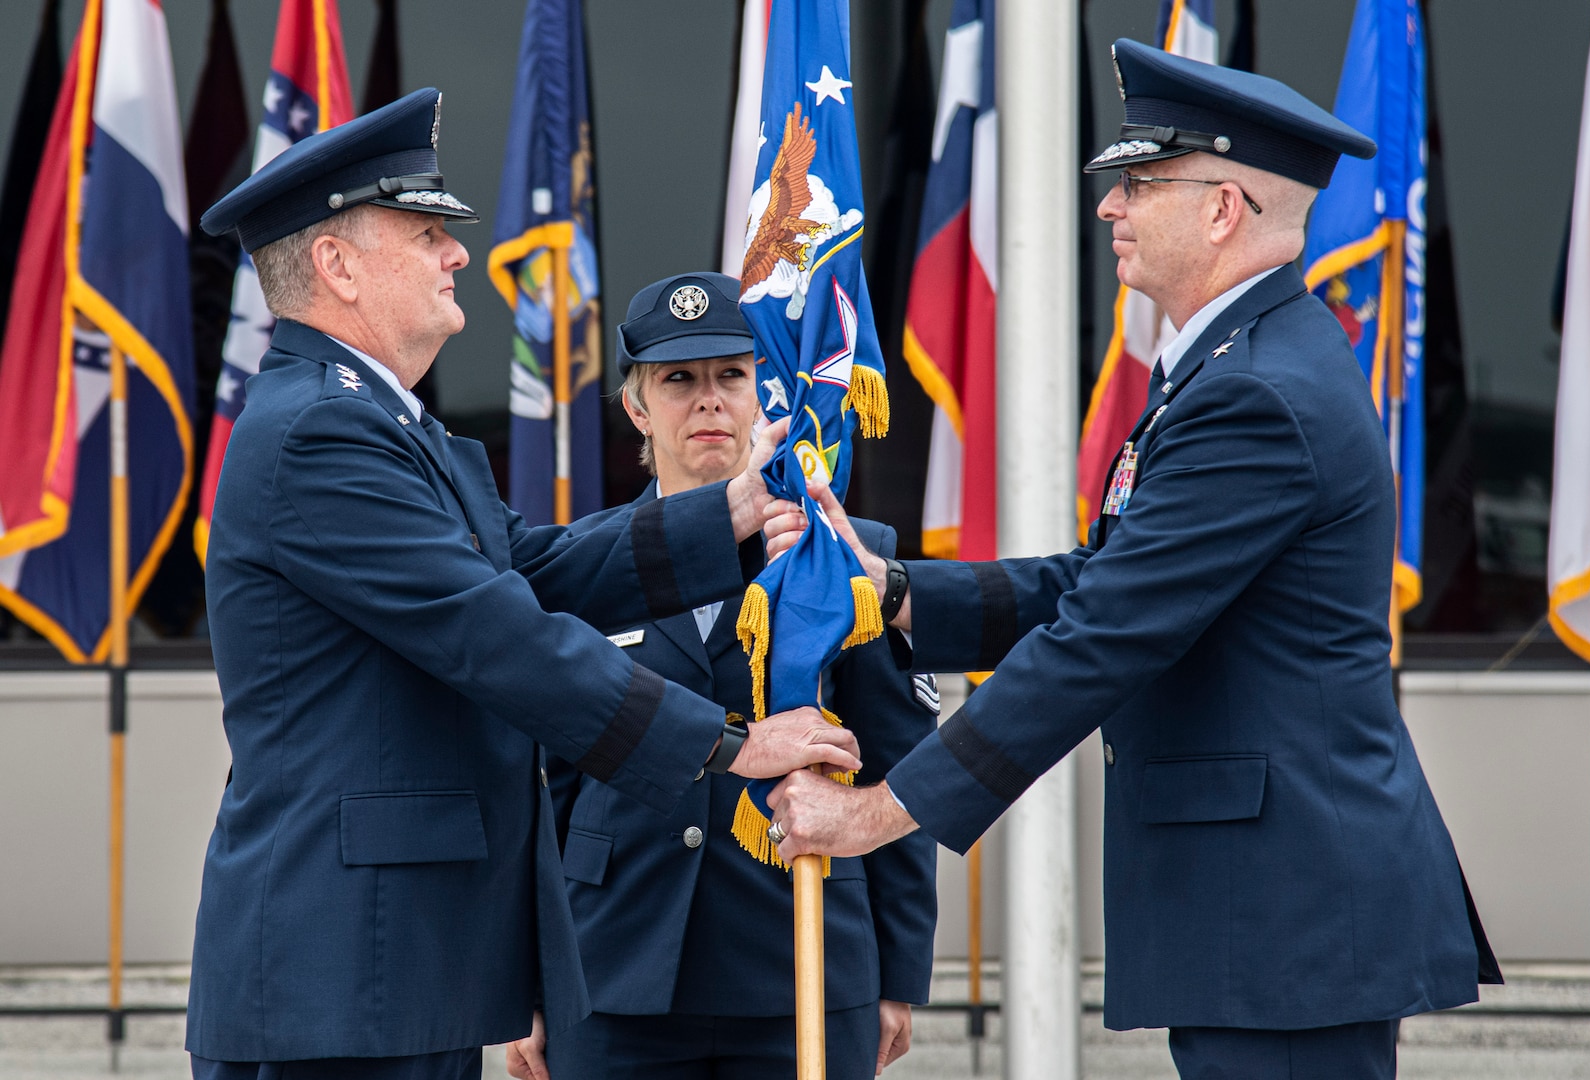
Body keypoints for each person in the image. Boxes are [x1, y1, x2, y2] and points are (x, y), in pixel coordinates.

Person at [765, 40, 1501, 1080]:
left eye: (1141, 182)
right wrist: (889, 595)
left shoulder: (1254, 393)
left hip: (1287, 924)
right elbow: (1097, 587)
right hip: (1272, 918)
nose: (1110, 206)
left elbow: (1101, 641)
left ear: (1221, 209)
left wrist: (877, 816)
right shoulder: (1238, 364)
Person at [187, 90, 861, 1080]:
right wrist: (731, 742)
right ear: (334, 265)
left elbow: (533, 572)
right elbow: (496, 633)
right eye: (426, 233)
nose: (458, 253)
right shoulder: (319, 436)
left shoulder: (397, 431)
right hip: (341, 975)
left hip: (396, 968)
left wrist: (727, 514)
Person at [502, 273, 937, 1080]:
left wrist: (899, 971)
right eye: (678, 380)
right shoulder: (577, 566)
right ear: (636, 407)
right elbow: (543, 780)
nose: (708, 401)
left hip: (798, 957)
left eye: (730, 376)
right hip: (614, 966)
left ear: (760, 390)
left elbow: (895, 762)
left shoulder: (840, 552)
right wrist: (528, 977)